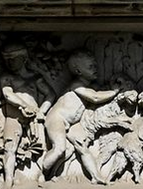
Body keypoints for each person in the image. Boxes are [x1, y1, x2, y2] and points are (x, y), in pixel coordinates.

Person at [39, 51, 121, 179]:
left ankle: (96, 177)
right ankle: (40, 172)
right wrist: (115, 91)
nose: (95, 69)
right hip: (57, 119)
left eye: (95, 65)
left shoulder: (88, 85)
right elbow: (95, 97)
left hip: (71, 123)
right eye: (90, 67)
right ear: (78, 71)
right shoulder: (76, 85)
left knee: (82, 147)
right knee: (59, 149)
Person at [0, 42, 55, 186]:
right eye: (7, 59)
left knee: (41, 147)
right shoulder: (7, 78)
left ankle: (42, 176)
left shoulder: (35, 78)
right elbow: (7, 94)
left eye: (13, 58)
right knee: (9, 146)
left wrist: (41, 111)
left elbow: (50, 95)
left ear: (24, 58)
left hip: (34, 118)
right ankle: (8, 181)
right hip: (13, 117)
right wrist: (24, 106)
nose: (10, 62)